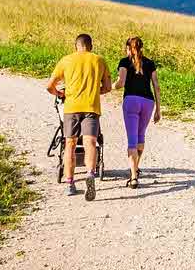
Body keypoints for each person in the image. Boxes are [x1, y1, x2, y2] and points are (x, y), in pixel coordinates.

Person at [46, 33, 111, 201]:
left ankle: (70, 183)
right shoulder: (99, 60)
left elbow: (49, 86)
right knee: (90, 142)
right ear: (91, 46)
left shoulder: (66, 60)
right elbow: (108, 87)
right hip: (91, 107)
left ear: (76, 46)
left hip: (71, 108)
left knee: (70, 144)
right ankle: (90, 173)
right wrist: (95, 91)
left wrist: (61, 93)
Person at [112, 36, 160, 189]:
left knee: (132, 140)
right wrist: (158, 109)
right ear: (141, 48)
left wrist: (109, 86)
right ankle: (136, 167)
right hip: (148, 102)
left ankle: (133, 177)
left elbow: (121, 83)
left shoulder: (124, 62)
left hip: (131, 101)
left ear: (128, 48)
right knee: (141, 136)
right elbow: (156, 86)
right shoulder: (150, 63)